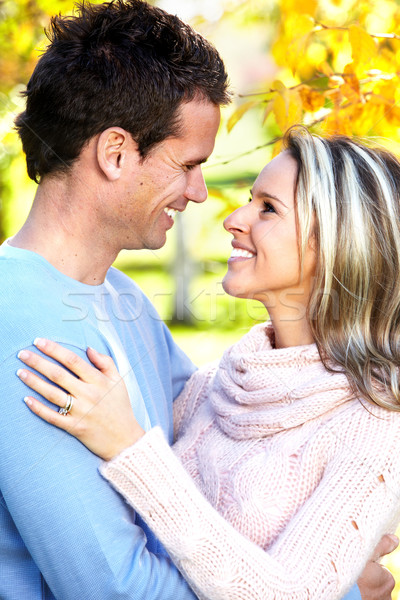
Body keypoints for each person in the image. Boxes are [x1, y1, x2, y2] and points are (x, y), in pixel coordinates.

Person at [17, 128, 400, 599]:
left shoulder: (375, 421)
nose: (234, 220)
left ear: (338, 244)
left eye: (268, 208)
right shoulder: (217, 384)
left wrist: (130, 449)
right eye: (249, 199)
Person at [0, 1, 229, 598]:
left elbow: (222, 443)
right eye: (188, 165)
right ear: (116, 153)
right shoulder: (17, 322)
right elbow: (113, 588)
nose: (200, 193)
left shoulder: (125, 299)